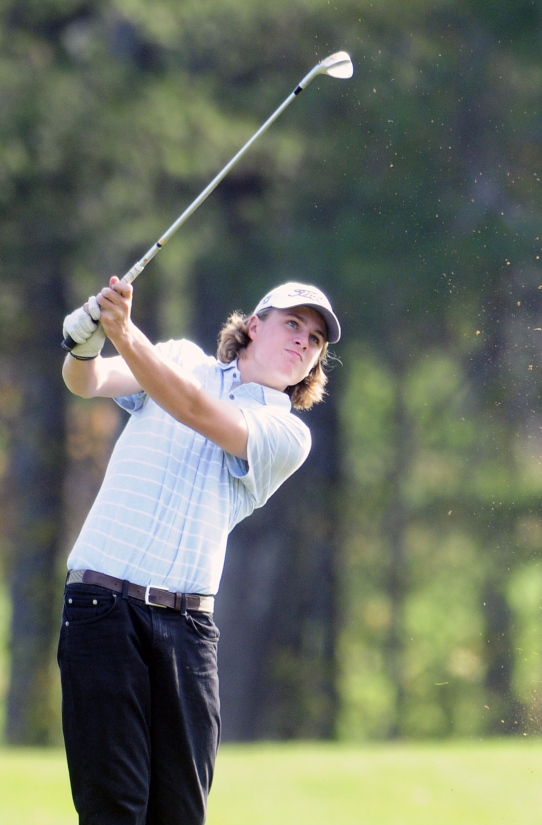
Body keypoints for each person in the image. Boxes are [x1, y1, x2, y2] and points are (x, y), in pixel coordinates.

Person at [58, 276, 341, 825]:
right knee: (113, 807)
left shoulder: (287, 434)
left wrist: (122, 329)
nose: (303, 341)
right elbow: (87, 381)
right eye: (293, 324)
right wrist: (85, 340)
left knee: (181, 814)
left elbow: (193, 410)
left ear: (314, 366)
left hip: (187, 634)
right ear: (253, 326)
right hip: (101, 607)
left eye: (315, 339)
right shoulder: (178, 359)